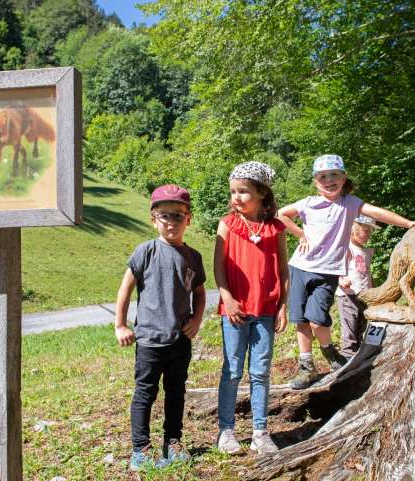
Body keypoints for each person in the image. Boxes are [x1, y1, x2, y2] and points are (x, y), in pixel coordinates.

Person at [277, 154, 415, 390]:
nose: (329, 180)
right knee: (301, 320)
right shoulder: (308, 203)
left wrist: (408, 223)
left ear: (343, 178)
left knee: (317, 318)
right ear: (316, 181)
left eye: (334, 175)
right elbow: (280, 214)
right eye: (322, 176)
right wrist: (300, 234)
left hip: (328, 271)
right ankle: (306, 366)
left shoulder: (350, 204)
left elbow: (376, 212)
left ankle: (330, 353)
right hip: (300, 267)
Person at [114, 184, 207, 471]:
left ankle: (173, 442)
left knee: (176, 392)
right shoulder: (146, 251)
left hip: (180, 340)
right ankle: (140, 449)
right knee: (145, 392)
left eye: (179, 215)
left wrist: (196, 319)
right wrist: (120, 325)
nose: (172, 222)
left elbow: (200, 293)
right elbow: (125, 289)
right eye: (165, 215)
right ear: (153, 218)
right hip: (149, 341)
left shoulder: (193, 257)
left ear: (188, 219)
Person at [214, 161, 289, 456]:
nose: (237, 197)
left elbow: (283, 269)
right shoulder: (227, 224)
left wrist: (283, 305)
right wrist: (227, 298)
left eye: (243, 191)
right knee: (232, 370)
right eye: (233, 191)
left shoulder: (275, 228)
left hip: (266, 309)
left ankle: (260, 431)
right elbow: (218, 267)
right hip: (234, 310)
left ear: (261, 193)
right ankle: (226, 431)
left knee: (260, 371)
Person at [336, 214, 379, 358]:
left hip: (364, 296)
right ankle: (348, 359)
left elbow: (366, 273)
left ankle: (359, 358)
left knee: (362, 328)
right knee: (350, 331)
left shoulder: (365, 250)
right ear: (353, 228)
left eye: (370, 232)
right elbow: (334, 267)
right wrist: (340, 280)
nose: (369, 235)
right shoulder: (346, 247)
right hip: (348, 295)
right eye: (366, 231)